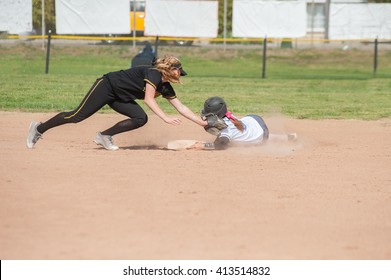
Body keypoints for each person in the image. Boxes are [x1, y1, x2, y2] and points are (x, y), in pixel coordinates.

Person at [27, 55, 207, 150]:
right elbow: (148, 99)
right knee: (76, 116)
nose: (180, 75)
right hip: (108, 86)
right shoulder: (153, 73)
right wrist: (165, 118)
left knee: (140, 118)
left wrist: (203, 123)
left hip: (121, 97)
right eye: (178, 71)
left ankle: (104, 136)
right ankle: (38, 128)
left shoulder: (166, 86)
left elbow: (181, 107)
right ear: (170, 69)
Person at [192, 96, 297, 150]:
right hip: (254, 120)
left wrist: (204, 146)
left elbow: (221, 146)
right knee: (249, 134)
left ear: (217, 114)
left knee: (242, 142)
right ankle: (288, 137)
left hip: (260, 134)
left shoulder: (226, 128)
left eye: (210, 114)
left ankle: (286, 138)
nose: (207, 116)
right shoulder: (227, 115)